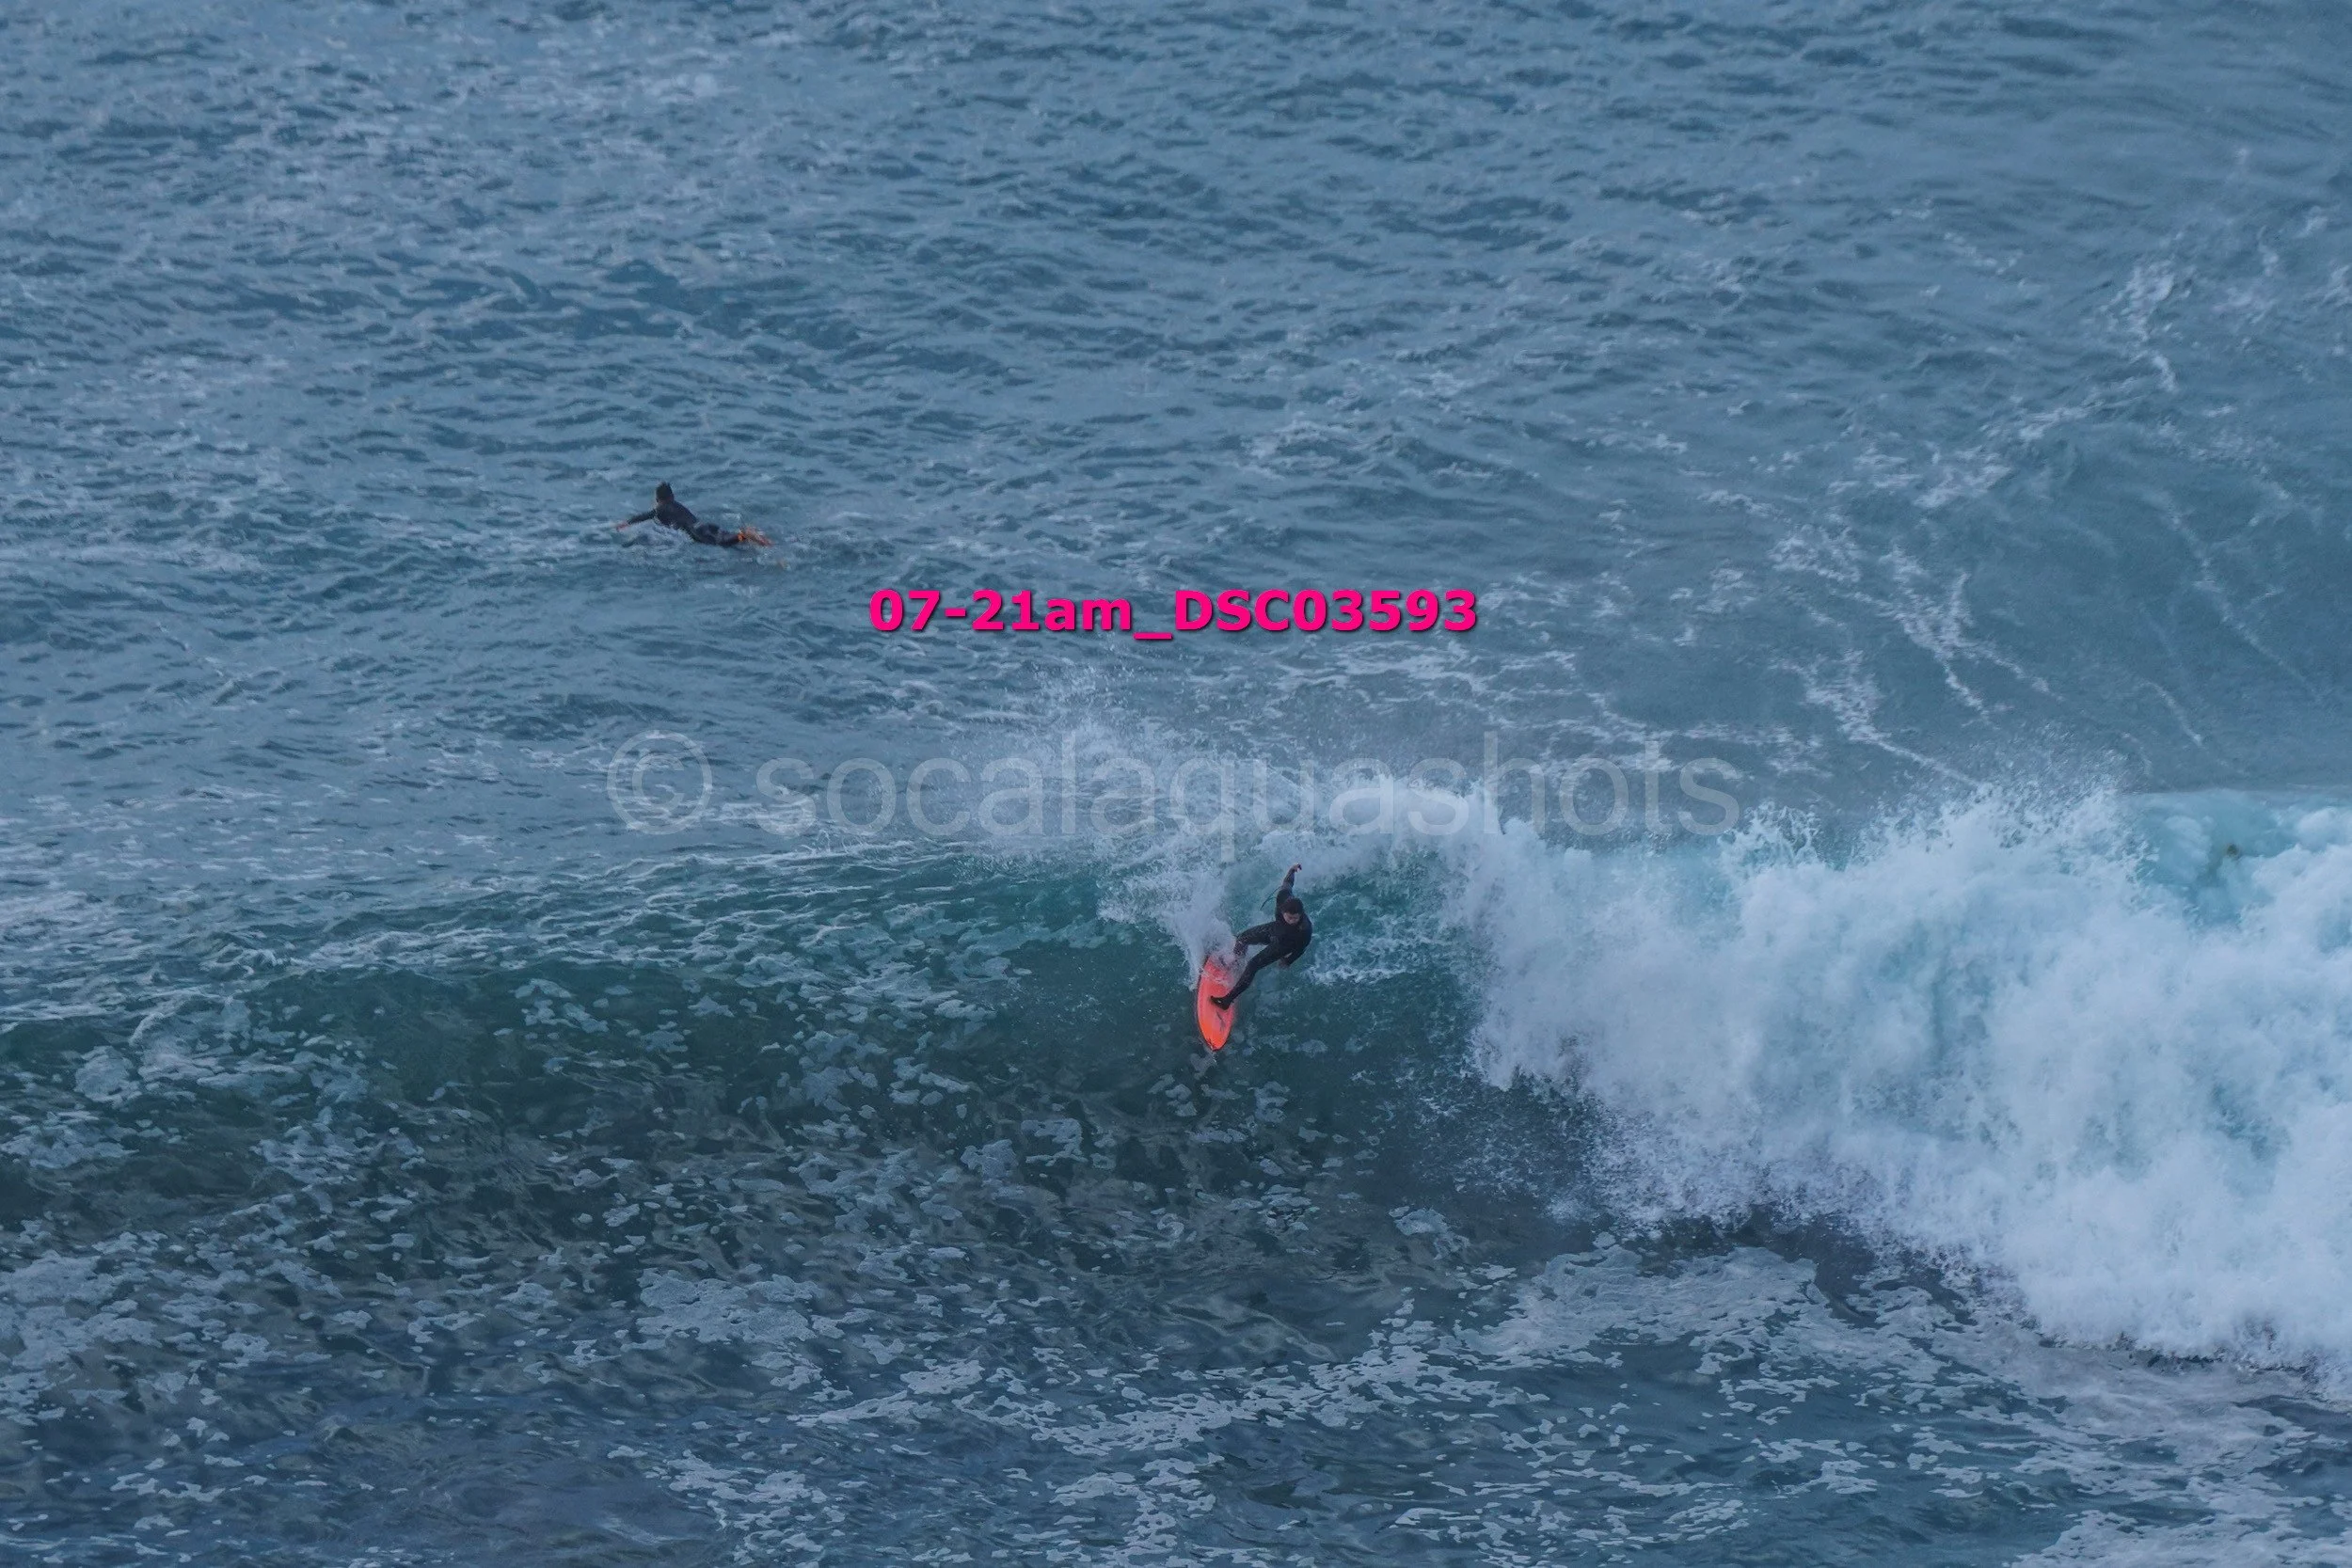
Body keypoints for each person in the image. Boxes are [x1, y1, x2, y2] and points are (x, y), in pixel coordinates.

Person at [1213, 863, 1311, 1009]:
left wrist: (1288, 961)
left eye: (1296, 918)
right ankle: (1236, 960)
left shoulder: (1304, 929)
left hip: (1284, 945)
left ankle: (1227, 1001)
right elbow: (1288, 883)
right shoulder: (1283, 896)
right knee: (1242, 938)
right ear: (1283, 910)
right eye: (1289, 918)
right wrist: (1291, 870)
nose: (1293, 921)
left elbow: (1301, 949)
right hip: (1275, 930)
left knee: (1253, 965)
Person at [615, 483, 771, 547]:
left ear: (658, 500)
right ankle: (748, 534)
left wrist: (626, 523)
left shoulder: (661, 509)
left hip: (697, 532)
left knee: (722, 543)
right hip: (705, 525)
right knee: (726, 537)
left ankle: (747, 534)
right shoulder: (676, 505)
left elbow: (645, 516)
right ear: (672, 496)